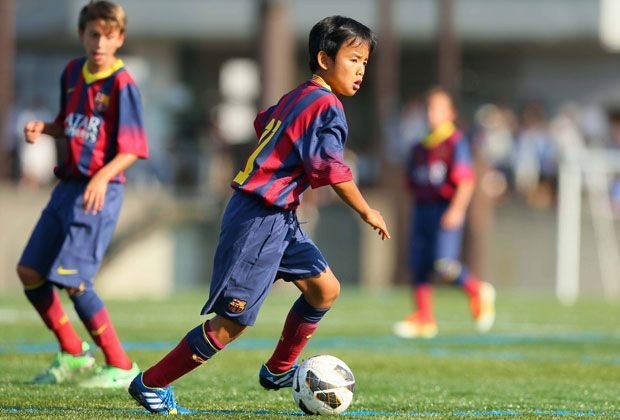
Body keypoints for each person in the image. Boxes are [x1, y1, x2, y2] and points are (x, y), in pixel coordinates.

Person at [128, 15, 390, 414]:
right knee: (229, 325)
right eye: (353, 60)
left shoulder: (298, 97)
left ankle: (279, 370)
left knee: (325, 289)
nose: (360, 70)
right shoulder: (327, 106)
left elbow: (263, 121)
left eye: (365, 63)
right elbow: (330, 168)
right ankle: (150, 383)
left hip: (277, 216)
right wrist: (366, 209)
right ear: (323, 59)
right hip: (259, 220)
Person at [17, 0, 148, 388]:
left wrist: (100, 178)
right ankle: (73, 353)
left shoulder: (123, 85)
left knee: (75, 280)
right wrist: (46, 127)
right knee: (30, 271)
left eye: (109, 36)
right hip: (68, 187)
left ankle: (121, 366)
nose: (100, 43)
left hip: (98, 192)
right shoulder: (73, 72)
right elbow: (70, 125)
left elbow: (133, 149)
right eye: (94, 34)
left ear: (120, 39)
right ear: (82, 34)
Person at [393, 87, 495, 339]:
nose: (431, 114)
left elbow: (466, 181)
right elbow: (412, 182)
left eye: (437, 109)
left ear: (450, 113)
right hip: (422, 210)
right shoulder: (419, 148)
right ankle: (424, 318)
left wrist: (457, 209)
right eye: (428, 108)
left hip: (443, 209)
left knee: (443, 264)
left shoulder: (454, 142)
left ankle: (477, 290)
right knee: (418, 267)